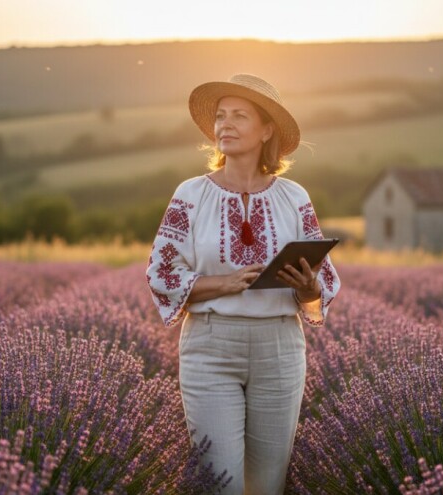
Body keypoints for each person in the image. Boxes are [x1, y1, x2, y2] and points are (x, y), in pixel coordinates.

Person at [146, 73, 341, 494]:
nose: (224, 125)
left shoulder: (295, 197)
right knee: (222, 484)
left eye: (239, 116)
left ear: (266, 129)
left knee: (267, 485)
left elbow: (320, 285)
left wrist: (306, 286)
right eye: (220, 116)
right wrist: (224, 283)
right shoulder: (190, 194)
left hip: (280, 349)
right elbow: (161, 273)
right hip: (210, 347)